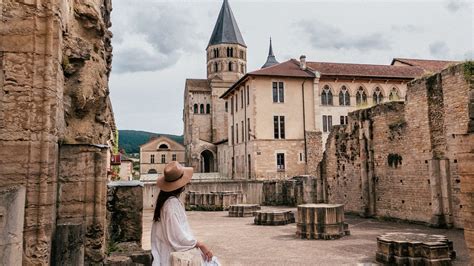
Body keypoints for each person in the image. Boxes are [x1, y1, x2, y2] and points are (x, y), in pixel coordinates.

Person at [151, 161, 217, 265]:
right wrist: (201, 245)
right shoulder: (171, 204)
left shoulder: (166, 201)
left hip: (165, 251)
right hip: (170, 255)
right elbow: (177, 237)